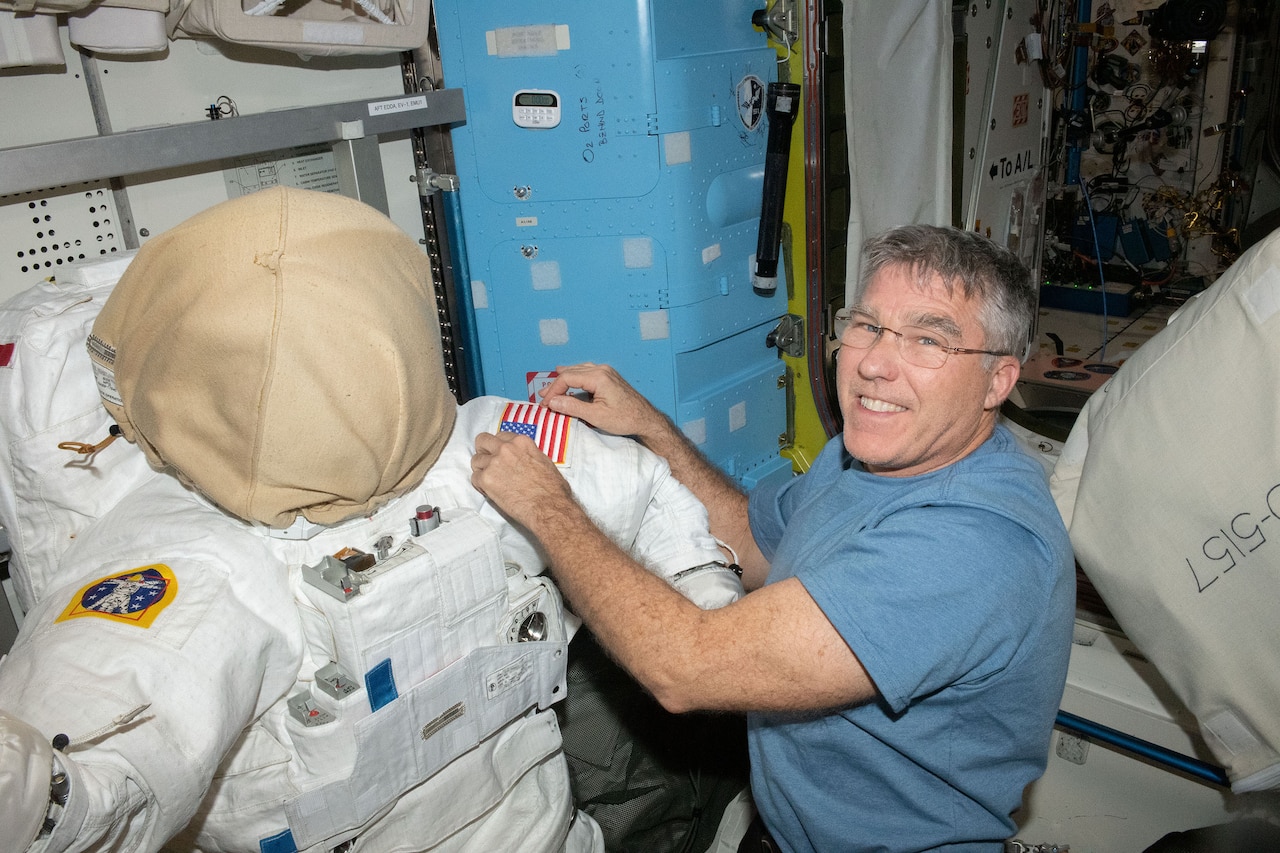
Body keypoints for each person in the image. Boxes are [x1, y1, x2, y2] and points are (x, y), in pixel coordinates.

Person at [0, 186, 743, 853]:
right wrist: (708, 605)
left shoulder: (185, 562)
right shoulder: (494, 450)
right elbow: (80, 789)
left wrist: (708, 617)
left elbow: (79, 797)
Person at [470, 224, 1077, 852]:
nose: (872, 363)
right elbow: (754, 544)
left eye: (928, 339)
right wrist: (650, 427)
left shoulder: (971, 545)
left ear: (999, 381)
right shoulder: (866, 457)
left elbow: (685, 668)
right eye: (866, 325)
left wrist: (548, 508)